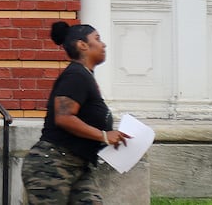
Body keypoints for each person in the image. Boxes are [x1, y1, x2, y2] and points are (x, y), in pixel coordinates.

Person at [20, 21, 132, 204]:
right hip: (52, 165)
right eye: (97, 39)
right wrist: (104, 135)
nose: (103, 44)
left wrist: (109, 140)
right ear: (82, 45)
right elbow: (64, 118)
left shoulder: (85, 76)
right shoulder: (76, 75)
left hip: (79, 166)